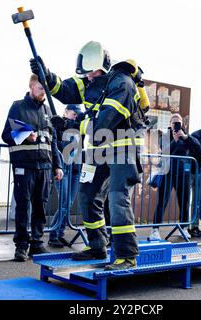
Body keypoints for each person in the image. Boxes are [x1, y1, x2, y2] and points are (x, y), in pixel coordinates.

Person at [30, 41, 144, 270]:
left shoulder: (123, 83)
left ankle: (126, 255)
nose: (88, 78)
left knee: (117, 198)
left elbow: (104, 122)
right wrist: (45, 74)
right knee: (87, 194)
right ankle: (97, 245)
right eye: (85, 74)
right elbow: (63, 90)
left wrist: (70, 124)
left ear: (102, 67)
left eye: (90, 73)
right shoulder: (88, 81)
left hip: (122, 148)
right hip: (98, 149)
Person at [2, 74, 63, 262]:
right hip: (24, 165)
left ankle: (37, 244)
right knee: (23, 207)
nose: (43, 91)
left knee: (40, 206)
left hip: (44, 167)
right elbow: (5, 135)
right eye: (40, 87)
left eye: (45, 88)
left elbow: (53, 142)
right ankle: (21, 246)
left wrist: (57, 165)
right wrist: (24, 136)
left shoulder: (48, 111)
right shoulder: (18, 106)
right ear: (31, 86)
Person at [149, 114, 201, 241]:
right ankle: (155, 230)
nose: (176, 124)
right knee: (162, 201)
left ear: (182, 124)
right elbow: (165, 151)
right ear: (170, 123)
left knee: (184, 201)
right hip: (167, 172)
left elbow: (198, 148)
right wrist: (174, 140)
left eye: (178, 122)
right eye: (174, 122)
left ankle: (184, 228)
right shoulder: (165, 136)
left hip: (183, 173)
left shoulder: (187, 136)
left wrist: (185, 137)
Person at [48, 104, 82, 248]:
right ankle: (53, 235)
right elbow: (54, 145)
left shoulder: (80, 127)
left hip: (75, 168)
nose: (76, 117)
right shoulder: (57, 124)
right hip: (63, 168)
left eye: (77, 115)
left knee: (68, 204)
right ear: (66, 112)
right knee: (64, 202)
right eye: (74, 114)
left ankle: (59, 234)